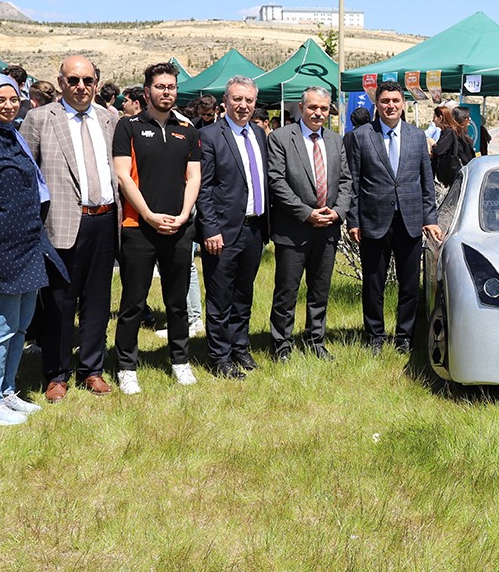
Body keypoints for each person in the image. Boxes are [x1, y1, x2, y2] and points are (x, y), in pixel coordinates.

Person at [0, 74, 67, 425]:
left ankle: (6, 391)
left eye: (13, 99)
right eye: (0, 100)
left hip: (28, 243)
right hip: (0, 247)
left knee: (21, 325)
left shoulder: (12, 133)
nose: (8, 106)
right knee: (0, 325)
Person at [21, 55, 120, 401]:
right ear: (61, 82)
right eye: (73, 80)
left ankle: (92, 369)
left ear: (96, 83)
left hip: (104, 220)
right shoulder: (39, 118)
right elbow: (26, 174)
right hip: (61, 223)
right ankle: (57, 374)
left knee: (98, 300)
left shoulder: (109, 119)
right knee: (59, 303)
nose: (81, 87)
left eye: (87, 81)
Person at [111, 62, 202, 394]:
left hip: (178, 228)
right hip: (138, 227)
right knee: (133, 303)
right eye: (161, 86)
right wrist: (148, 215)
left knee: (177, 302)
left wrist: (184, 214)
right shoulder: (128, 127)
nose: (167, 92)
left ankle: (180, 361)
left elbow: (194, 176)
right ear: (147, 90)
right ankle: (126, 367)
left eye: (171, 87)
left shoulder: (187, 129)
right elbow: (123, 176)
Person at [346, 81, 442, 354]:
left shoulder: (416, 136)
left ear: (403, 104)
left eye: (395, 101)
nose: (390, 106)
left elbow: (427, 182)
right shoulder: (361, 136)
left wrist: (430, 217)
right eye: (385, 101)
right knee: (373, 284)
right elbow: (352, 183)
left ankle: (404, 337)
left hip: (409, 221)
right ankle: (375, 337)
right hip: (373, 221)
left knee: (409, 285)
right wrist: (353, 221)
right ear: (377, 104)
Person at [267, 87, 353, 361]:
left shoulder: (335, 140)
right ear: (302, 108)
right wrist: (306, 213)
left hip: (328, 228)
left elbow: (346, 180)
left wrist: (337, 213)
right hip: (293, 230)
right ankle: (282, 344)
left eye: (324, 108)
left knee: (320, 291)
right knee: (287, 291)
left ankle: (315, 341)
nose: (318, 113)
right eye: (313, 107)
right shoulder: (281, 138)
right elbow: (276, 181)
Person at [196, 76, 269, 380]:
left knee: (243, 294)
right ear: (225, 101)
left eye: (249, 100)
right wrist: (210, 229)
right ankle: (220, 356)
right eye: (237, 99)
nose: (243, 105)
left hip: (254, 228)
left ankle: (240, 346)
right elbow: (203, 189)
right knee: (220, 297)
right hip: (223, 233)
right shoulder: (209, 136)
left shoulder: (259, 134)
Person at [432, 106, 475, 188]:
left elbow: (438, 151)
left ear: (440, 118)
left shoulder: (451, 132)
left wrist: (432, 143)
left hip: (456, 175)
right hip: (462, 173)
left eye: (434, 117)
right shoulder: (457, 133)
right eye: (467, 117)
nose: (469, 119)